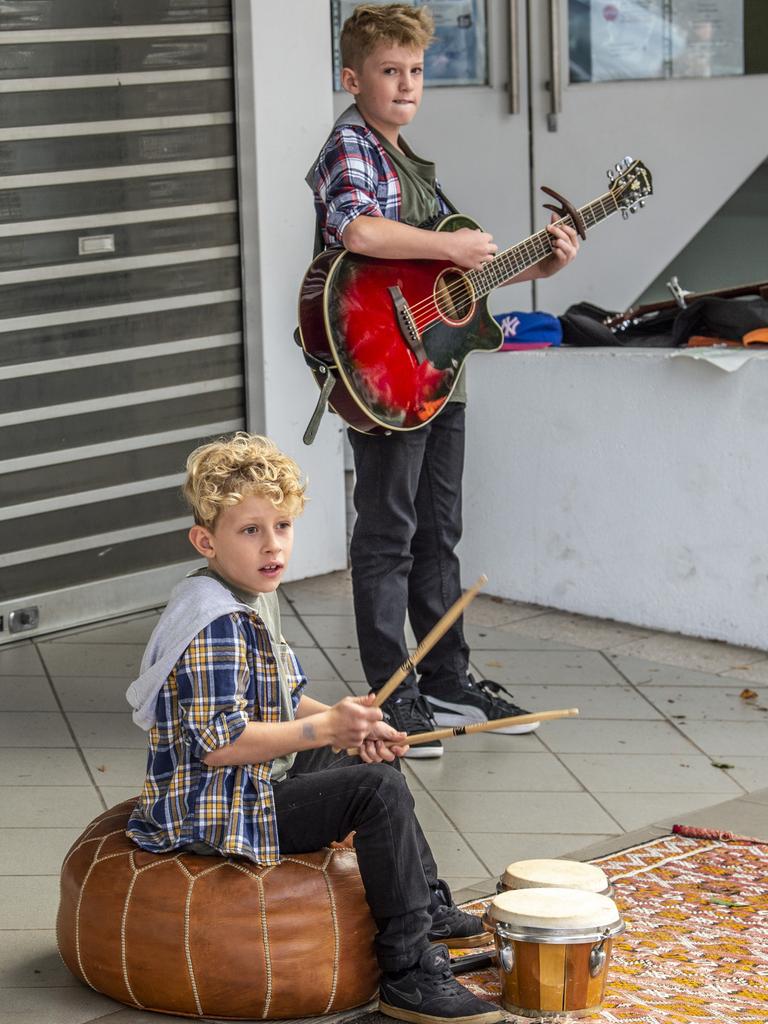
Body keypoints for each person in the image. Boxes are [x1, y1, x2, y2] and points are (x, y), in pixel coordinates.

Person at [125, 432, 502, 1024]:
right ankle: (407, 973)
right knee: (377, 791)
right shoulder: (216, 623)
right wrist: (327, 730)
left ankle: (425, 909)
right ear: (206, 540)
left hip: (248, 782)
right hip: (213, 806)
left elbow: (283, 699)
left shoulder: (246, 594)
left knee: (374, 753)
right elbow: (221, 746)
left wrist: (350, 722)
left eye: (282, 526)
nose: (272, 545)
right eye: (250, 530)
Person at [309, 4, 580, 757]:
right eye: (389, 72)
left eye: (416, 71)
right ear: (352, 78)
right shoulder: (351, 149)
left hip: (437, 373)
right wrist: (449, 244)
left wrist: (543, 263)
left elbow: (460, 275)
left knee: (439, 533)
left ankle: (446, 680)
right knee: (387, 534)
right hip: (385, 374)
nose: (405, 85)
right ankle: (391, 698)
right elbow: (360, 232)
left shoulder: (409, 163)